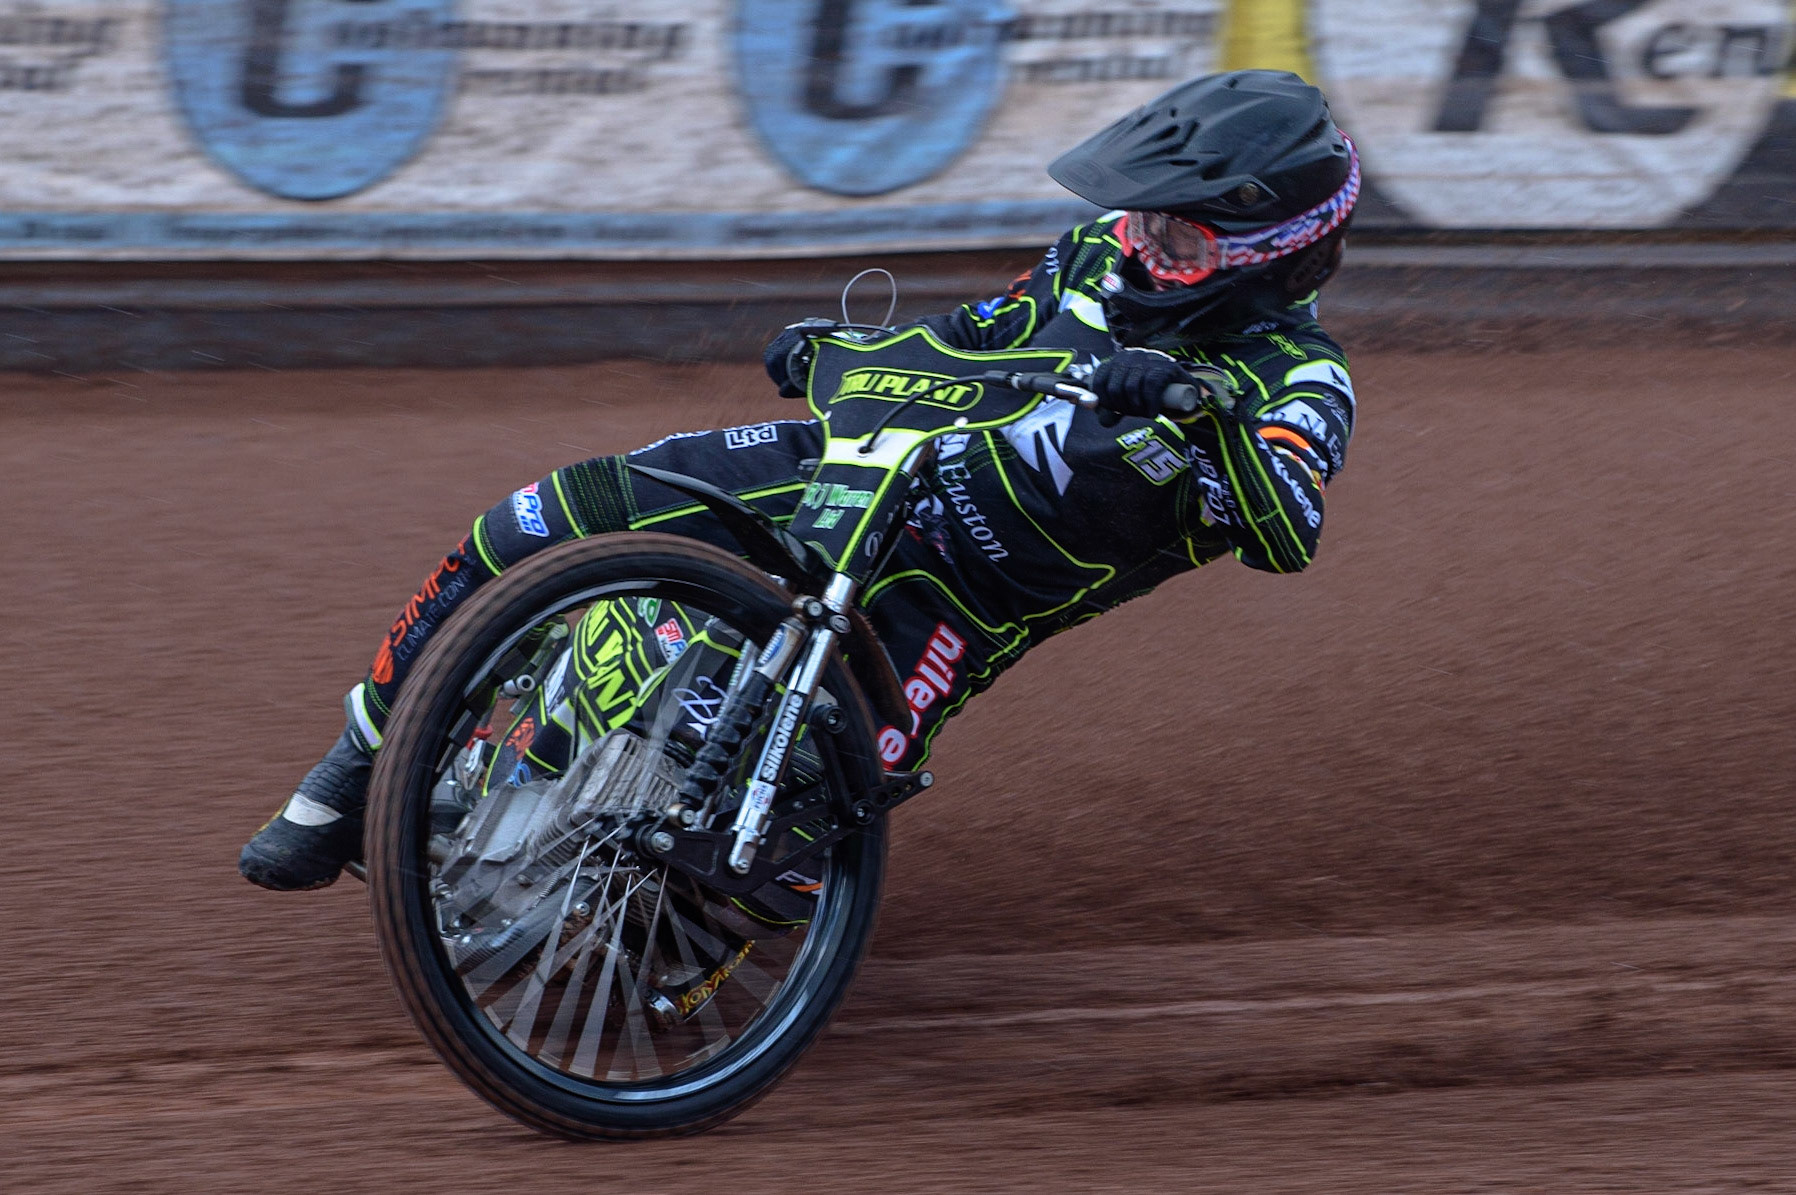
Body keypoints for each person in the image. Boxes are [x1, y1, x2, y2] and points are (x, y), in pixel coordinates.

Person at [240, 68, 1361, 893]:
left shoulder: (1296, 379)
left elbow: (1285, 528)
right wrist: (838, 351)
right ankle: (353, 767)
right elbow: (973, 335)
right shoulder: (1092, 256)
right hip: (861, 470)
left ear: (1274, 249)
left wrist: (1194, 409)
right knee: (537, 516)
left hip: (958, 601)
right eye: (1141, 221)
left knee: (776, 864)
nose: (1141, 250)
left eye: (1181, 242)